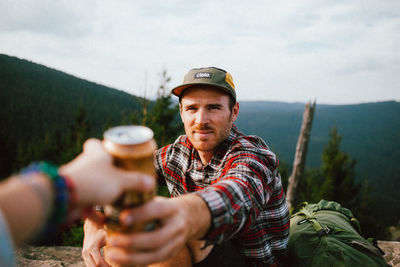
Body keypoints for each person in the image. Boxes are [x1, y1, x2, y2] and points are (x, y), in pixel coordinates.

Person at [83, 67, 290, 266]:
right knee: (122, 229)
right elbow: (118, 177)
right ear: (181, 112)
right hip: (203, 257)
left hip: (249, 262)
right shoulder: (180, 152)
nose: (201, 120)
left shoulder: (252, 156)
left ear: (233, 112)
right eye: (192, 108)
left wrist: (174, 214)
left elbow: (235, 198)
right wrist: (93, 225)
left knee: (166, 233)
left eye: (214, 107)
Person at [0, 138, 155, 266]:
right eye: (180, 103)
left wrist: (64, 186)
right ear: (180, 111)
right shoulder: (166, 156)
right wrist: (92, 223)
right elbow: (111, 180)